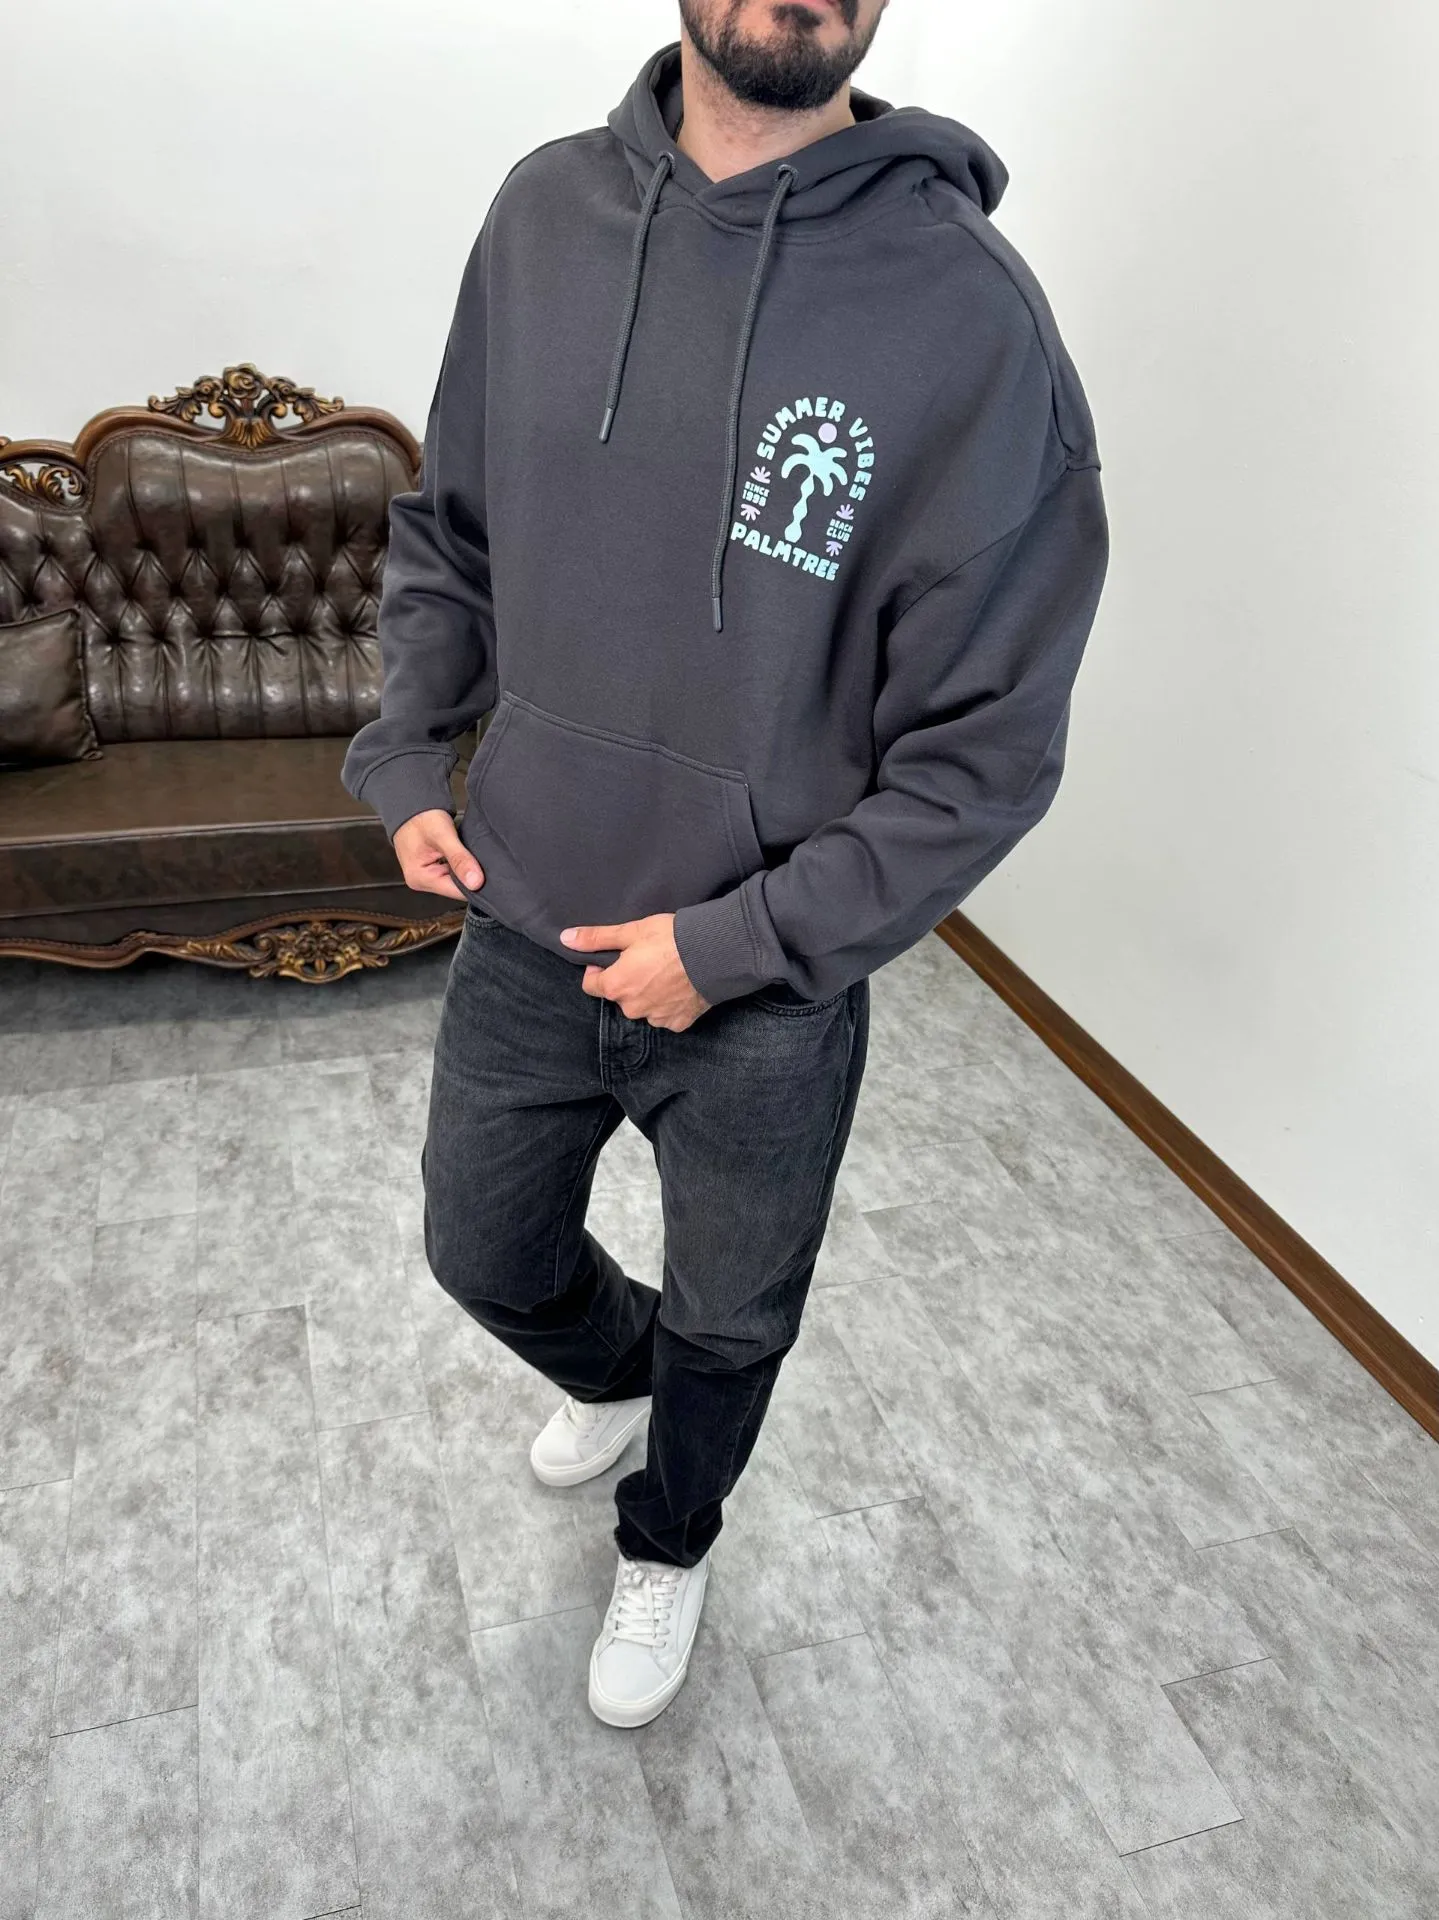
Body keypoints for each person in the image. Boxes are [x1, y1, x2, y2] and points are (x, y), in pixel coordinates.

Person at [342, 0, 1108, 1729]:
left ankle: (669, 1535)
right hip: (526, 915)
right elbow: (449, 531)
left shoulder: (969, 318)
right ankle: (621, 1380)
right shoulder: (542, 216)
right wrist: (402, 751)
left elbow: (986, 753)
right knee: (482, 1250)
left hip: (762, 977)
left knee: (734, 1309)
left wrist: (739, 943)